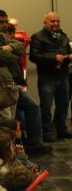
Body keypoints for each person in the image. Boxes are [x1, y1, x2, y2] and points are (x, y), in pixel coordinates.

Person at [0, 15, 51, 156]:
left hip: (12, 84)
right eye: (1, 22)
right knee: (8, 122)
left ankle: (34, 146)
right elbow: (6, 57)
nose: (4, 25)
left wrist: (9, 48)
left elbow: (21, 46)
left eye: (5, 22)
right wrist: (11, 53)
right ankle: (11, 156)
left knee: (32, 108)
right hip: (3, 87)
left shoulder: (3, 37)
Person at [29, 12, 72, 142]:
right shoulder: (37, 37)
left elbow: (69, 50)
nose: (56, 23)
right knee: (46, 106)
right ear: (45, 23)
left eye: (57, 21)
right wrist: (53, 58)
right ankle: (46, 133)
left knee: (63, 104)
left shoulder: (64, 36)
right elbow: (33, 56)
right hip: (47, 77)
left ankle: (62, 130)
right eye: (52, 21)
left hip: (62, 75)